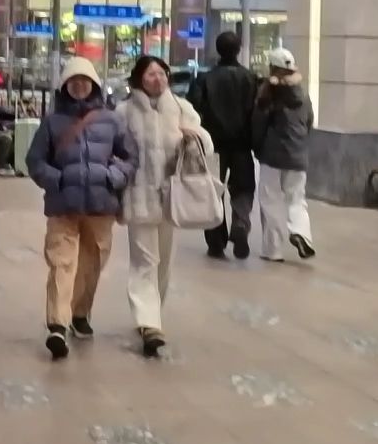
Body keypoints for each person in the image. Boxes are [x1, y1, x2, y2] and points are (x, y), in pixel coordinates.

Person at [26, 57, 137, 361]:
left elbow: (130, 158)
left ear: (94, 86)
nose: (79, 87)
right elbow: (34, 161)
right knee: (61, 263)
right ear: (65, 87)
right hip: (63, 206)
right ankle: (57, 326)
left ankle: (80, 313)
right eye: (73, 82)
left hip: (101, 206)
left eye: (85, 82)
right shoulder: (52, 123)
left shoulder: (112, 120)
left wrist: (114, 177)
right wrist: (56, 179)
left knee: (92, 264)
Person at [118, 54, 213, 358]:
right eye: (150, 75)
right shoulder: (124, 112)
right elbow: (114, 150)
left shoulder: (182, 108)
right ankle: (148, 324)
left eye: (161, 74)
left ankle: (153, 312)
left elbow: (207, 145)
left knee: (164, 265)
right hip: (138, 196)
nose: (157, 79)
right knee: (144, 262)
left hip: (172, 198)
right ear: (138, 79)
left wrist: (194, 136)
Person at [187, 31, 259, 260]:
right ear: (238, 50)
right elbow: (258, 113)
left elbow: (193, 111)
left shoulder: (204, 80)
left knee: (212, 191)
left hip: (212, 145)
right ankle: (241, 223)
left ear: (218, 50)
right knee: (244, 188)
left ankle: (216, 240)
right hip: (242, 144)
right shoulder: (251, 79)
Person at [254, 47, 316, 262]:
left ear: (272, 67)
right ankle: (301, 233)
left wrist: (257, 146)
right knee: (297, 199)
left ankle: (273, 250)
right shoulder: (303, 94)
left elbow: (259, 123)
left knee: (270, 201)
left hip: (272, 155)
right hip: (298, 155)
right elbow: (309, 121)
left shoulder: (269, 93)